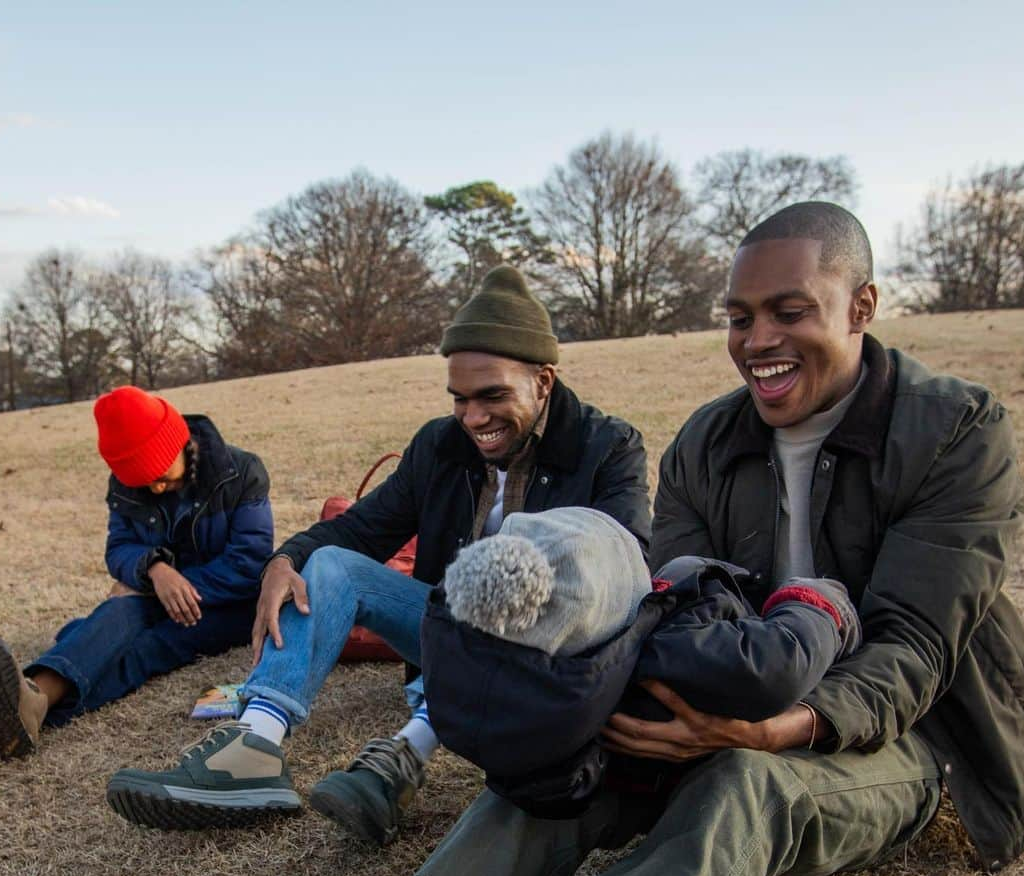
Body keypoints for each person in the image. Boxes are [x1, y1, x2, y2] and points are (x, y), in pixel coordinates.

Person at [136, 203, 1024, 876]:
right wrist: (623, 701)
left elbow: (913, 653)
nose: (758, 339)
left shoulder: (957, 431)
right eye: (740, 314)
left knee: (746, 787)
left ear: (864, 306)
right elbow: (674, 604)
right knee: (592, 736)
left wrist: (767, 731)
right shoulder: (713, 438)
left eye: (790, 311)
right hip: (747, 681)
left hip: (902, 736)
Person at [107, 265, 650, 839]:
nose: (472, 418)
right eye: (460, 399)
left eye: (492, 396)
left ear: (543, 381)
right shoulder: (440, 445)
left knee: (503, 605)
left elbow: (624, 573)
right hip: (444, 628)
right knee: (333, 565)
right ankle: (253, 748)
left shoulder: (607, 446)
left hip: (546, 653)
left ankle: (403, 757)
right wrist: (283, 562)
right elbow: (360, 531)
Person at [421, 505, 859, 815]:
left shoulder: (500, 688)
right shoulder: (677, 654)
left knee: (686, 565)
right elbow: (780, 662)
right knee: (690, 567)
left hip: (622, 757)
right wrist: (818, 599)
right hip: (746, 708)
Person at [0, 387, 271, 759]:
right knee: (118, 614)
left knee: (141, 644)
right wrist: (154, 569)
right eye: (143, 481)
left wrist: (166, 586)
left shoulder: (242, 472)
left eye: (161, 475)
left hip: (230, 606)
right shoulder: (128, 487)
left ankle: (5, 715)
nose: (156, 487)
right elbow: (118, 549)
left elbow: (250, 563)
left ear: (178, 443)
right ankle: (27, 707)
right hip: (154, 596)